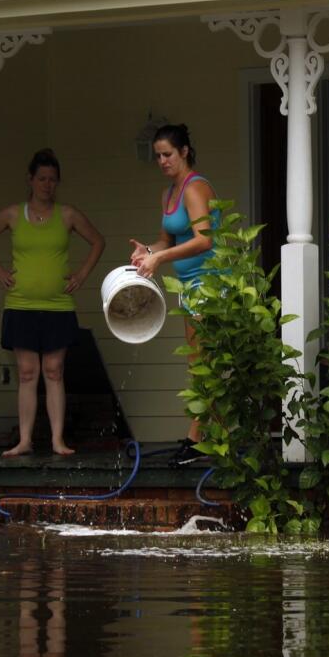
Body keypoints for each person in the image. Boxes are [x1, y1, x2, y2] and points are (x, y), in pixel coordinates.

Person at [0, 149, 106, 457]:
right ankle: (24, 440)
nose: (47, 185)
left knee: (54, 369)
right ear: (30, 180)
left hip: (57, 306)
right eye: (42, 179)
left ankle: (57, 440)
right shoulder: (12, 214)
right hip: (20, 304)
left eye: (53, 180)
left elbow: (98, 241)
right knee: (26, 371)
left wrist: (81, 275)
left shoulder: (68, 215)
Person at [128, 124, 220, 466]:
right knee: (198, 364)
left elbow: (204, 240)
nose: (162, 161)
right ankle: (209, 439)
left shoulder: (196, 188)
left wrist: (159, 258)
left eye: (168, 154)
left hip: (212, 284)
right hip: (188, 287)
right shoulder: (168, 194)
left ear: (184, 152)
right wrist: (147, 250)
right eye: (157, 156)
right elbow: (167, 240)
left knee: (203, 365)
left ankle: (196, 441)